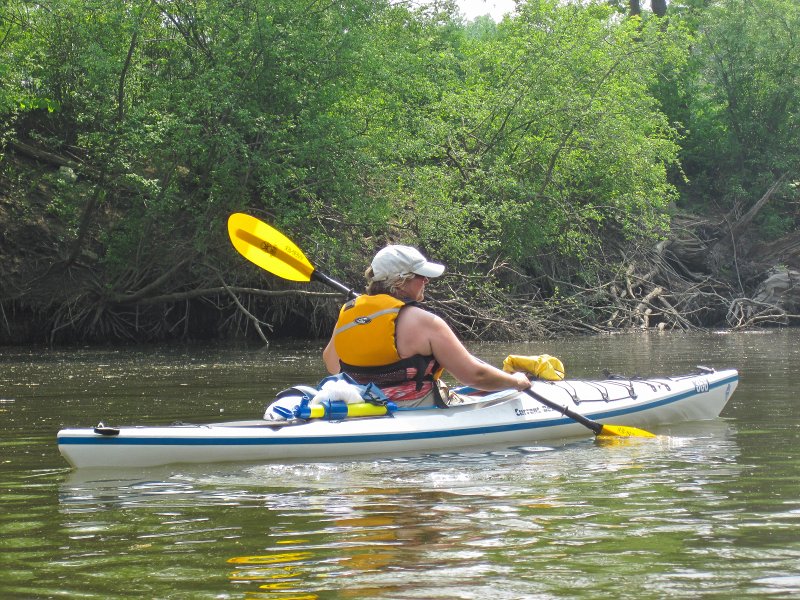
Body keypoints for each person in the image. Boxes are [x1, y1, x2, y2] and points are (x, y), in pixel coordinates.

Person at [322, 244, 531, 407]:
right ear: (401, 281)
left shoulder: (348, 315)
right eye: (421, 276)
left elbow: (332, 364)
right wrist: (516, 381)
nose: (427, 281)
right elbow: (475, 376)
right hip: (417, 407)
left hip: (367, 405)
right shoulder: (425, 322)